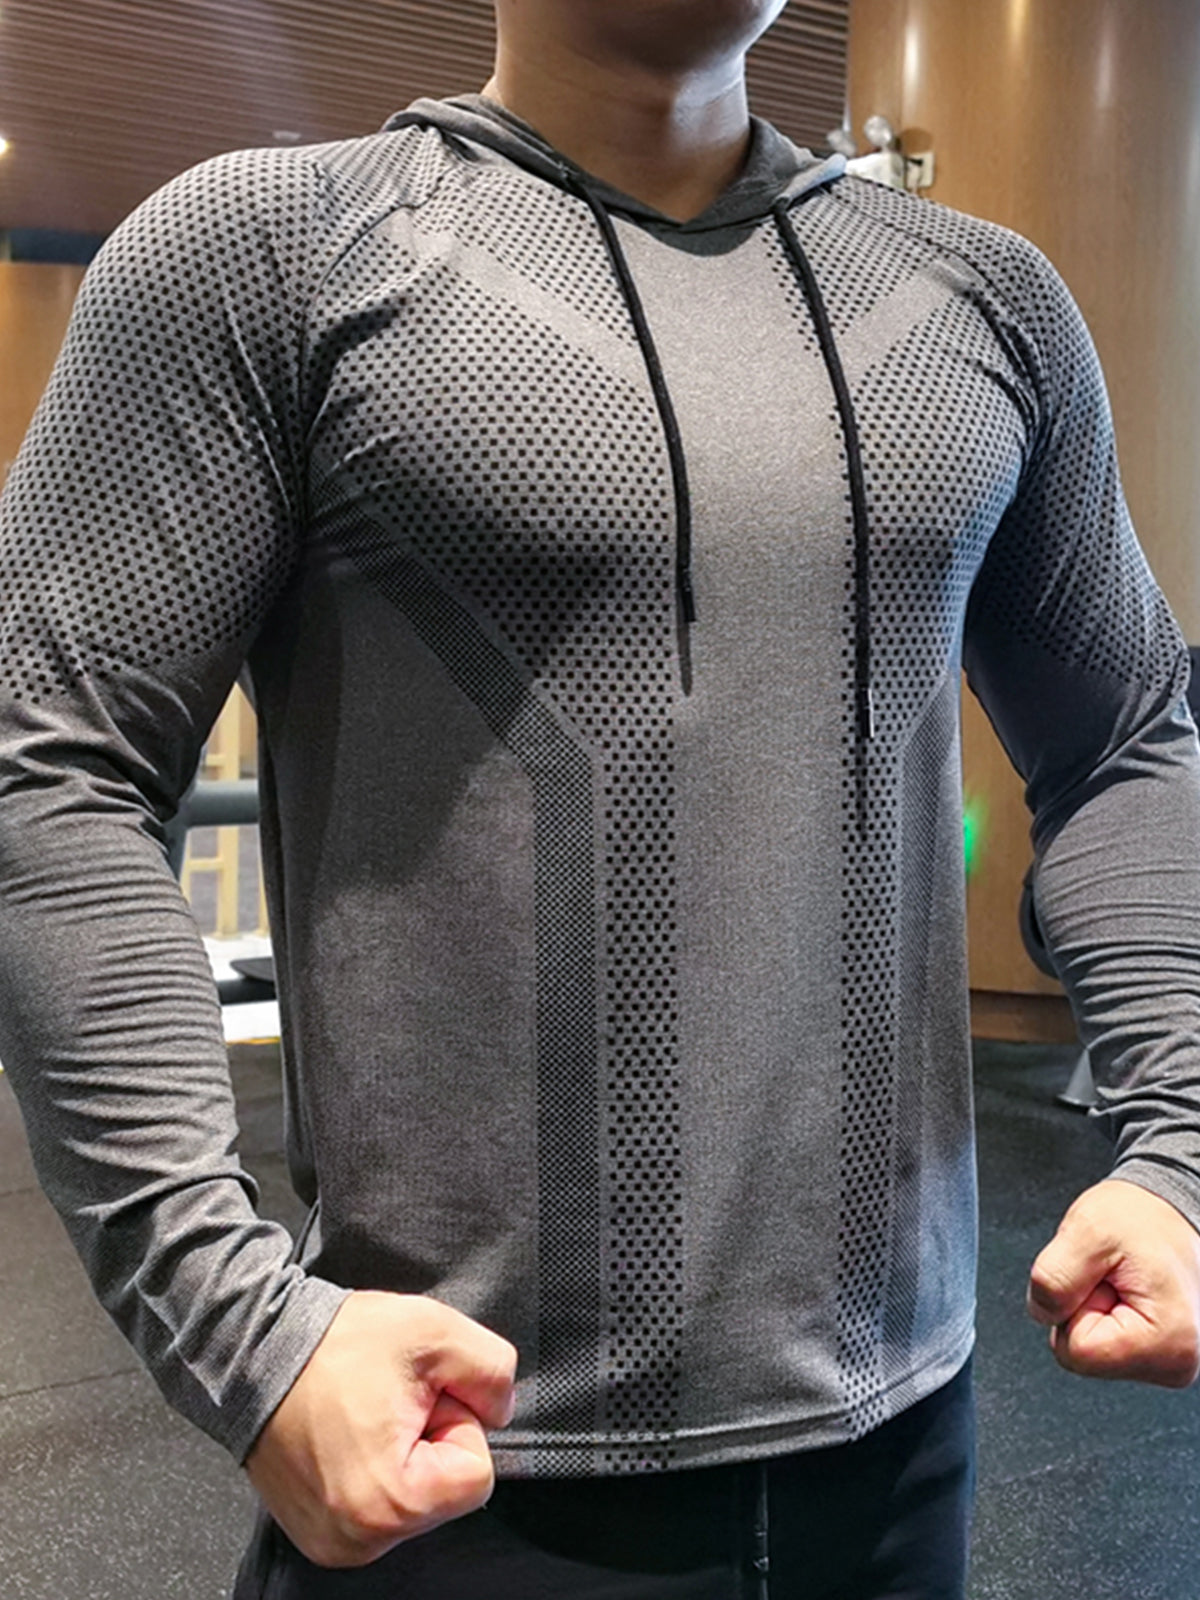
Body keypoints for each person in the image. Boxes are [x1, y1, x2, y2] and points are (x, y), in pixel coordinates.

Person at [2, 2, 1200, 1595]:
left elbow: (1128, 739)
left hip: (906, 1444)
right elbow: (51, 769)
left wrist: (1181, 1147)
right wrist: (238, 1331)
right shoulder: (266, 254)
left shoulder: (989, 302)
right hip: (461, 1456)